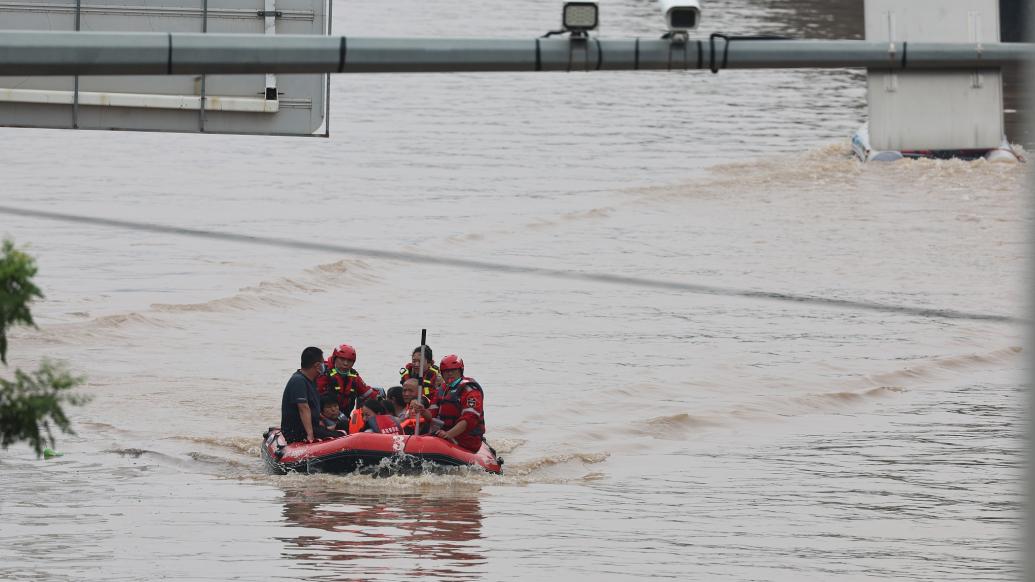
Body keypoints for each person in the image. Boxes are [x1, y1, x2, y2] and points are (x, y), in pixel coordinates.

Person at [432, 354, 485, 452]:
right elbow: (432, 415)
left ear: (460, 371)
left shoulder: (471, 391)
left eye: (453, 370)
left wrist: (448, 434)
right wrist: (421, 410)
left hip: (466, 440)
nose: (450, 374)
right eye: (446, 371)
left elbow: (469, 419)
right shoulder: (441, 390)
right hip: (443, 436)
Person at [317, 343, 378, 415]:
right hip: (322, 416)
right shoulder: (322, 373)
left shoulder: (354, 377)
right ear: (334, 358)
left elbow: (368, 393)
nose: (345, 363)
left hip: (344, 417)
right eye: (342, 359)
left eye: (349, 360)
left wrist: (381, 401)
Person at [280, 346, 324, 443]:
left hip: (312, 427)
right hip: (297, 432)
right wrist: (310, 435)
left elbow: (312, 406)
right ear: (317, 365)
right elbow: (303, 408)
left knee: (342, 425)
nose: (324, 365)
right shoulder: (298, 381)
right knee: (342, 434)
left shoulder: (311, 381)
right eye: (322, 363)